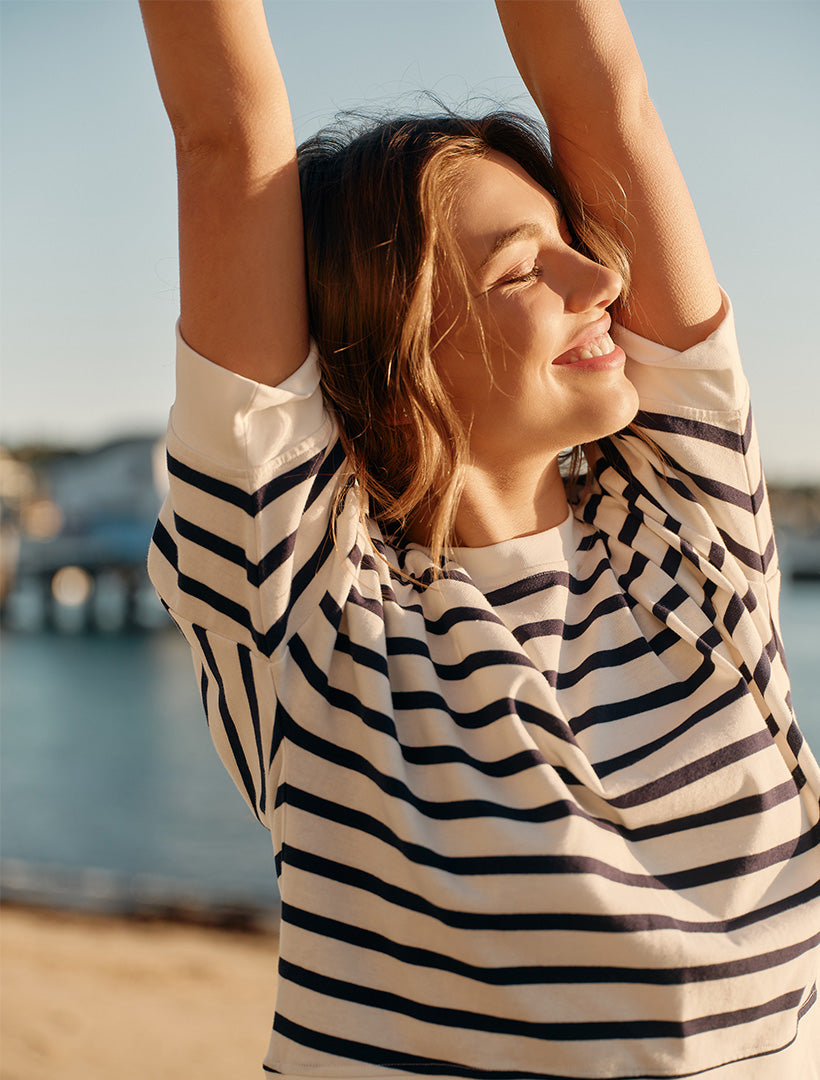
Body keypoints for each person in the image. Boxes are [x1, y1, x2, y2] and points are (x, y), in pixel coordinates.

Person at [140, 1, 820, 1076]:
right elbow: (225, 140)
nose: (599, 283)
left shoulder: (691, 530)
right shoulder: (313, 615)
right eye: (521, 271)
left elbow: (607, 93)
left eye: (571, 244)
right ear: (397, 356)